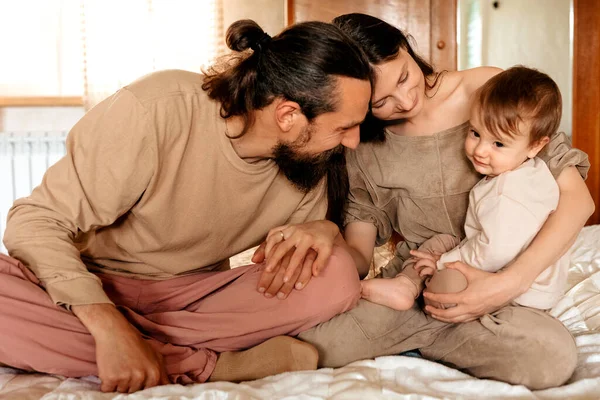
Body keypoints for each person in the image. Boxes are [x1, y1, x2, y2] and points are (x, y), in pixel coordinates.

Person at [0, 19, 373, 393]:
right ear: (288, 115)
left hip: (192, 300)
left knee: (335, 275)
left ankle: (136, 347)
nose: (354, 142)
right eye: (344, 127)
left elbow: (308, 266)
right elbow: (33, 222)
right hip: (93, 281)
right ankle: (208, 365)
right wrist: (106, 323)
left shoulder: (308, 161)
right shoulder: (155, 109)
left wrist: (324, 231)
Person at [294, 13, 595, 390]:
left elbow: (578, 200)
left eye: (403, 77)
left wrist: (506, 284)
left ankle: (415, 342)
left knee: (550, 359)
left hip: (504, 282)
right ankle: (428, 336)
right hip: (418, 281)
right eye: (380, 101)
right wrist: (325, 238)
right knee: (318, 344)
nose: (405, 101)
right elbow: (359, 254)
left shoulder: (486, 88)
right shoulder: (363, 146)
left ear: (406, 46)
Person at [361, 66, 573, 313]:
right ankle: (407, 284)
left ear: (536, 146)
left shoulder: (509, 193)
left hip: (520, 291)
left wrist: (443, 263)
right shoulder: (527, 171)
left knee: (444, 288)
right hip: (501, 263)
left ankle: (419, 290)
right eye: (475, 133)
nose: (480, 150)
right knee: (440, 240)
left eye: (498, 143)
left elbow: (494, 252)